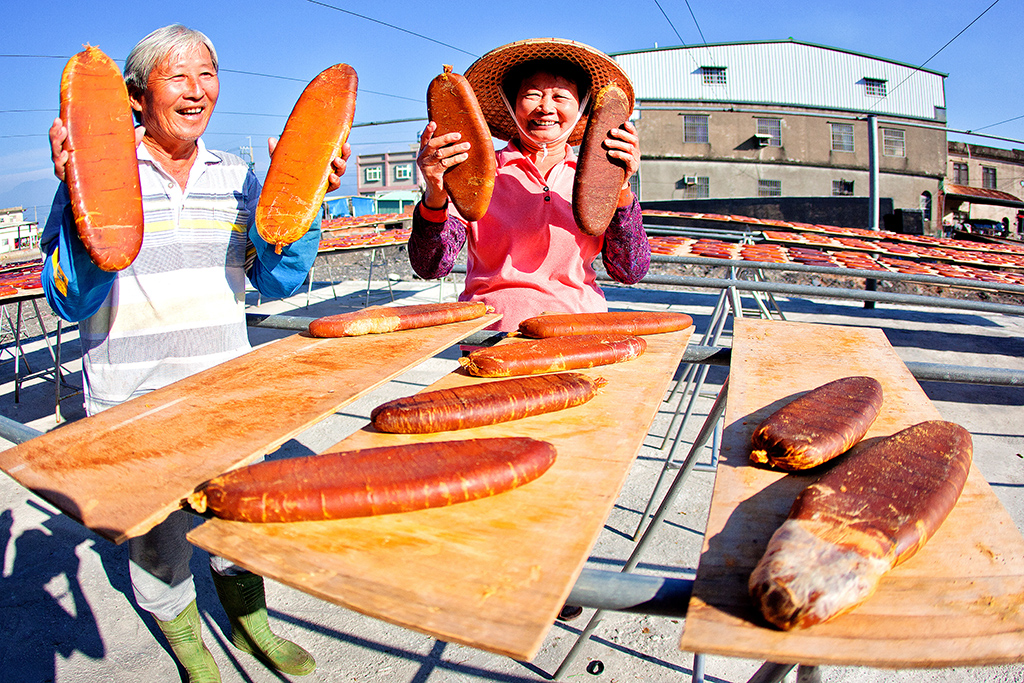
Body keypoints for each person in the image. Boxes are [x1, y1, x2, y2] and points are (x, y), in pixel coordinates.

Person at [41, 24, 348, 681]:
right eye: (177, 75)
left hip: (227, 396)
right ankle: (188, 643)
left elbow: (278, 280)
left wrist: (308, 201)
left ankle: (251, 624)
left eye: (206, 73)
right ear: (135, 96)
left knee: (239, 521)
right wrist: (76, 201)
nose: (196, 88)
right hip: (132, 405)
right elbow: (67, 300)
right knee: (159, 547)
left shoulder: (238, 175)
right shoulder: (96, 174)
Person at [409, 38, 650, 333]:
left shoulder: (600, 177)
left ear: (582, 105)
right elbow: (431, 266)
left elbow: (631, 271)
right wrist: (435, 191)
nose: (545, 108)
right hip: (493, 332)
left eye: (561, 97)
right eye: (532, 95)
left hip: (581, 331)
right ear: (511, 105)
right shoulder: (477, 173)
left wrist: (622, 187)